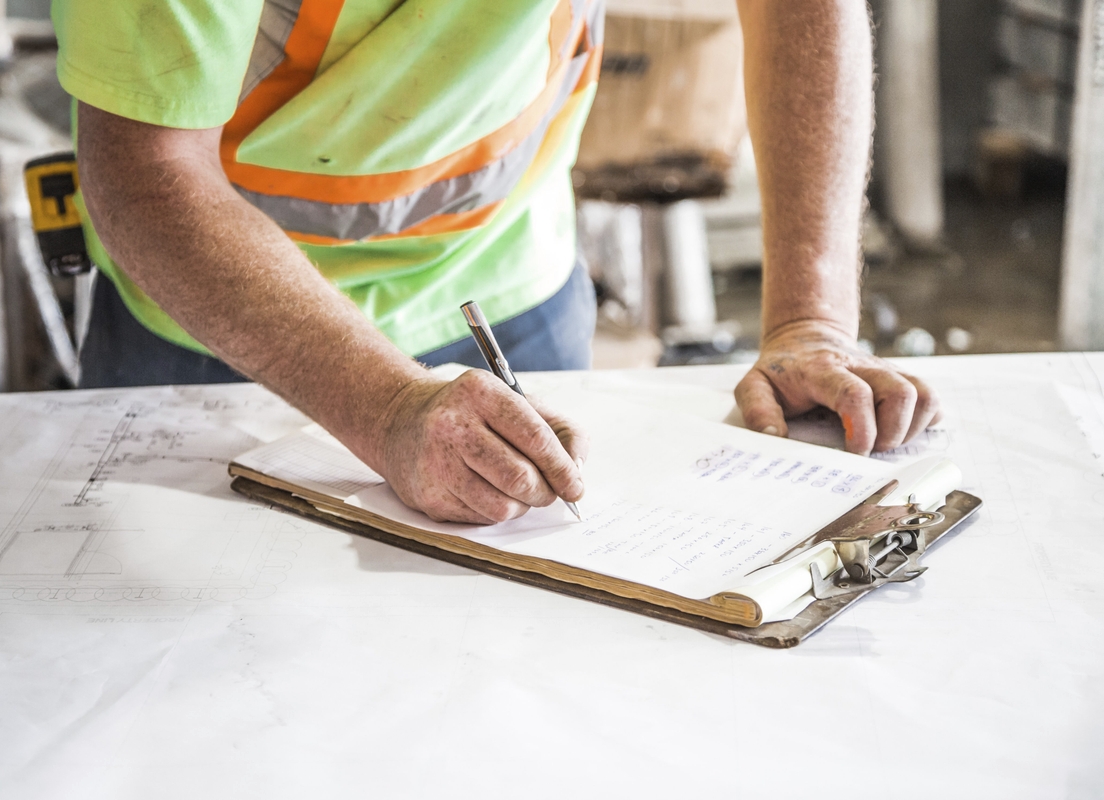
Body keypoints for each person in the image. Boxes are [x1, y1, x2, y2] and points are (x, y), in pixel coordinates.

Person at [53, 0, 940, 525]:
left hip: (513, 285)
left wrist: (810, 321)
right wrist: (387, 406)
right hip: (222, 330)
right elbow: (144, 170)